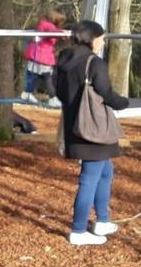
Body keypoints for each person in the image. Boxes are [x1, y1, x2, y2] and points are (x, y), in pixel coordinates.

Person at [55, 20, 129, 246]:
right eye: (101, 38)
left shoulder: (63, 60)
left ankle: (103, 220)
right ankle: (78, 230)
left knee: (105, 170)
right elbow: (106, 92)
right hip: (93, 128)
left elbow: (56, 90)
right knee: (90, 178)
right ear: (92, 38)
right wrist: (124, 103)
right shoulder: (93, 63)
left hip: (73, 124)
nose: (102, 42)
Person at [21, 8, 66, 106]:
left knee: (37, 77)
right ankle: (52, 98)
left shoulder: (45, 25)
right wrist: (63, 34)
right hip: (40, 56)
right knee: (46, 78)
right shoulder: (46, 26)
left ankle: (28, 93)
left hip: (40, 55)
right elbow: (52, 32)